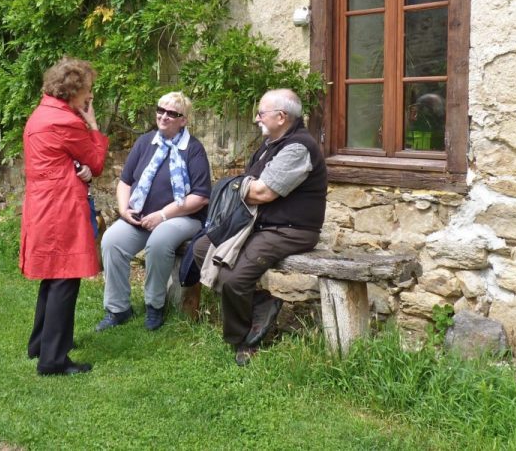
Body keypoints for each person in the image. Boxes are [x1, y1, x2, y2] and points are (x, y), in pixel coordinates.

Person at [194, 89, 327, 366]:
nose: (256, 119)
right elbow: (250, 186)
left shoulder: (298, 147)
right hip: (259, 224)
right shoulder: (271, 144)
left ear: (281, 117)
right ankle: (260, 304)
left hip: (290, 229)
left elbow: (263, 193)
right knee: (202, 248)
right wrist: (241, 186)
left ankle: (244, 339)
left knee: (234, 279)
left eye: (261, 113)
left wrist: (233, 186)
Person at [20, 57, 109, 376]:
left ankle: (40, 345)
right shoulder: (66, 121)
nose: (90, 96)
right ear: (73, 90)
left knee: (53, 276)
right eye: (88, 89)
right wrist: (93, 125)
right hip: (61, 208)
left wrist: (77, 168)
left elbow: (61, 158)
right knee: (65, 278)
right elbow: (96, 162)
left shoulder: (43, 113)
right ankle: (53, 360)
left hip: (45, 205)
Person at [96, 92, 211, 332]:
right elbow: (125, 181)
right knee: (111, 241)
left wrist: (163, 215)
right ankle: (118, 309)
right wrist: (124, 209)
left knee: (159, 241)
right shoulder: (145, 142)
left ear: (183, 120)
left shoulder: (193, 149)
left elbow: (200, 197)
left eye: (172, 113)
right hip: (141, 215)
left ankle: (154, 305)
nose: (164, 116)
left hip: (183, 217)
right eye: (161, 110)